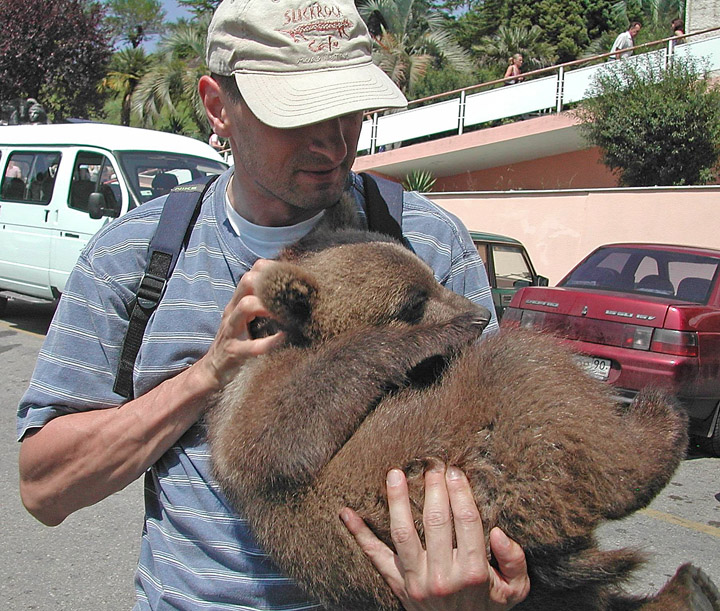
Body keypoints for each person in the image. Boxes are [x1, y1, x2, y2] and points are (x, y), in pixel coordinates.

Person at [16, 0, 530, 608]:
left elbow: (507, 449)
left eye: (349, 108)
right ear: (217, 106)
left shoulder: (428, 242)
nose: (333, 141)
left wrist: (497, 587)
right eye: (298, 114)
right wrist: (210, 374)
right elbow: (45, 488)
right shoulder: (134, 256)